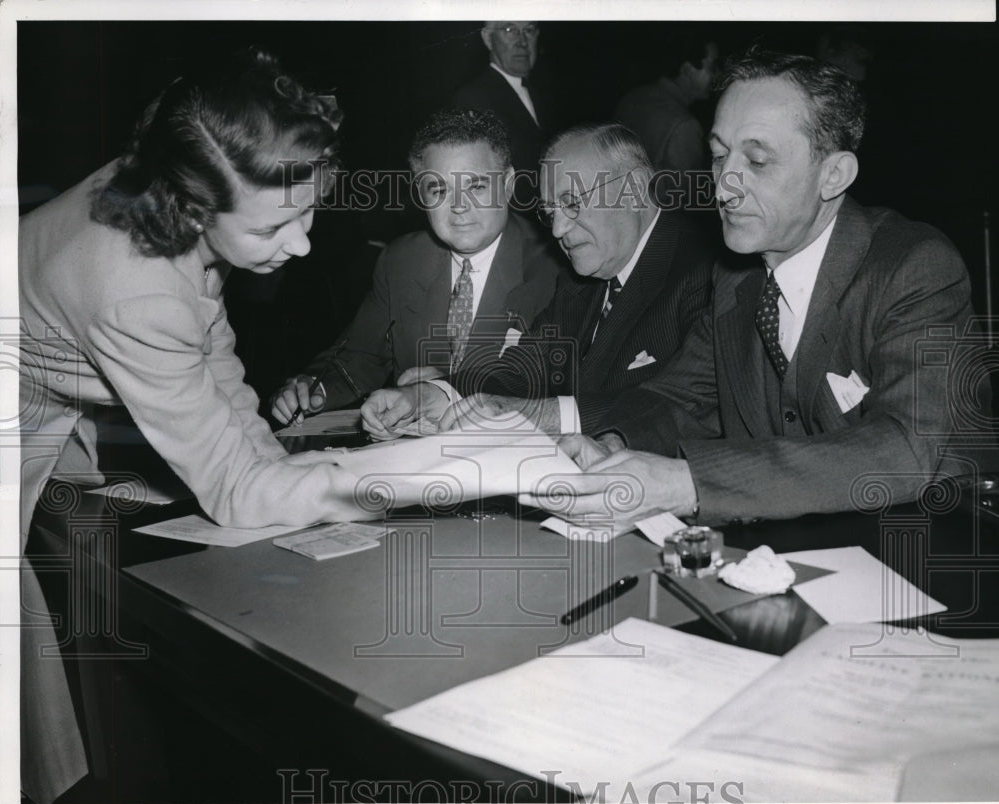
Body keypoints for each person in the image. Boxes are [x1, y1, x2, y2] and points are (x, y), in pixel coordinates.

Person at [17, 50, 372, 804]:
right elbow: (234, 491)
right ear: (194, 210)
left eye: (308, 209)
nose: (304, 243)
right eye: (276, 225)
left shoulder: (189, 178)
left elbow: (211, 348)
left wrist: (276, 464)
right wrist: (393, 481)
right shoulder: (135, 290)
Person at [519, 50, 982, 527]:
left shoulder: (915, 267)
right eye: (720, 156)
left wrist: (686, 484)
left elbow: (904, 449)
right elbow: (681, 399)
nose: (723, 187)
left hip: (931, 542)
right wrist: (612, 449)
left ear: (833, 175)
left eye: (757, 161)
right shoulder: (737, 277)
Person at [359, 124, 715, 439]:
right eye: (550, 212)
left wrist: (537, 415)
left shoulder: (706, 272)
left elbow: (683, 405)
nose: (558, 230)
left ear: (634, 189)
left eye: (572, 204)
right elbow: (523, 370)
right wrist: (433, 394)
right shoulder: (581, 280)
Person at [271, 108, 562, 425]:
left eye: (476, 187)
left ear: (507, 185)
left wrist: (446, 388)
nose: (459, 206)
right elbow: (360, 355)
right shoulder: (402, 260)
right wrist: (315, 388)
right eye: (439, 190)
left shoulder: (556, 267)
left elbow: (560, 384)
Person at [453, 22, 557, 208]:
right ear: (488, 38)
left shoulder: (542, 93)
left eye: (529, 30)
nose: (522, 41)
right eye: (510, 30)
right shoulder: (473, 98)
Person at [614, 32, 719, 180]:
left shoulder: (631, 98)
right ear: (687, 69)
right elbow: (685, 192)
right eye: (713, 67)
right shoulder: (685, 126)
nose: (717, 75)